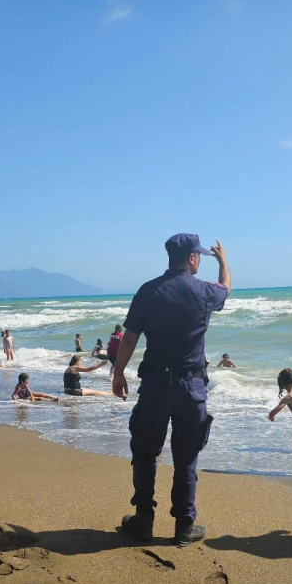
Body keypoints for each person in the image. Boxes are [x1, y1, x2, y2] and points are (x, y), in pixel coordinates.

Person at [112, 233, 231, 547]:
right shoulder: (204, 291)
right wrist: (223, 261)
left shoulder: (148, 291)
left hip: (154, 385)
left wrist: (119, 373)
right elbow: (226, 288)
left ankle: (143, 520)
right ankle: (183, 526)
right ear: (193, 257)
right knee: (186, 458)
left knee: (145, 452)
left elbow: (129, 338)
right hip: (190, 386)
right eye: (201, 257)